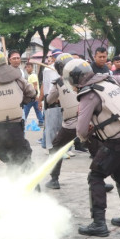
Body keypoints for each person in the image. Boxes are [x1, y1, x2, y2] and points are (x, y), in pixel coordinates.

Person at [68, 60, 120, 236]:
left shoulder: (88, 94)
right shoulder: (110, 80)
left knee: (96, 175)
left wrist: (85, 136)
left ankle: (98, 223)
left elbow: (80, 129)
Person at [44, 54, 81, 189]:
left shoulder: (59, 82)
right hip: (89, 122)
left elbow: (49, 100)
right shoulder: (84, 77)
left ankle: (54, 179)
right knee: (96, 149)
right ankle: (102, 180)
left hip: (70, 124)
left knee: (56, 148)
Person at [22, 61, 44, 127]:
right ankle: (41, 122)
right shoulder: (30, 76)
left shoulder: (33, 76)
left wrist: (35, 95)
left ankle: (23, 122)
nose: (27, 68)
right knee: (37, 110)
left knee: (25, 110)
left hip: (32, 97)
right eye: (26, 67)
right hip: (34, 97)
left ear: (32, 68)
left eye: (29, 67)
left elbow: (35, 86)